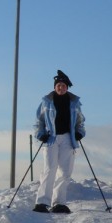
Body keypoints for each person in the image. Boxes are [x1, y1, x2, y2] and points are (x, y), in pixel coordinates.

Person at [32, 70, 86, 213]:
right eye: (58, 85)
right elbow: (39, 120)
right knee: (50, 168)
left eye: (63, 85)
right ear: (55, 87)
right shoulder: (47, 101)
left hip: (68, 138)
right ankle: (42, 202)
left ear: (67, 87)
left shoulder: (74, 102)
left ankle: (59, 203)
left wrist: (79, 132)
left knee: (65, 171)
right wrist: (40, 134)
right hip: (51, 138)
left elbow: (80, 121)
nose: (60, 88)